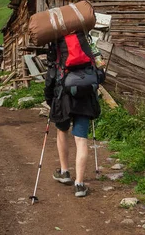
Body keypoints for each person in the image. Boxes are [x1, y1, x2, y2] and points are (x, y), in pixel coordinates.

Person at [44, 36, 102, 198]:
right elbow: (100, 69)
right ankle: (80, 184)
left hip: (63, 97)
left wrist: (49, 97)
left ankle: (64, 172)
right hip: (85, 96)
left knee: (62, 131)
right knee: (81, 139)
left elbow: (52, 72)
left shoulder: (57, 42)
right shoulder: (87, 40)